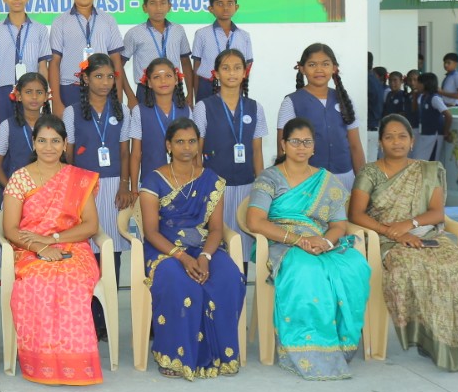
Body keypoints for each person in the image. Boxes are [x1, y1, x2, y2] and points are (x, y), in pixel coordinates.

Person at [349, 114, 458, 371]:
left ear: (412, 141)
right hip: (385, 240)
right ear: (380, 142)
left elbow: (437, 213)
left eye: (402, 136)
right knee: (412, 268)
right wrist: (393, 232)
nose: (397, 142)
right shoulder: (369, 173)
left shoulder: (427, 171)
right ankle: (428, 337)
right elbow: (356, 214)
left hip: (426, 235)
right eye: (389, 137)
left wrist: (410, 224)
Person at [246, 117, 371, 380]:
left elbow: (339, 224)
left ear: (314, 147)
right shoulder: (269, 178)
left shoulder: (326, 181)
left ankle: (341, 345)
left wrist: (325, 242)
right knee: (307, 270)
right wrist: (297, 240)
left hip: (321, 242)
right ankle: (310, 349)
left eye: (307, 142)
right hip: (282, 243)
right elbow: (255, 221)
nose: (301, 147)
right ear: (283, 144)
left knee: (355, 266)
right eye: (295, 141)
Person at [3, 114, 103, 386]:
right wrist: (39, 247)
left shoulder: (78, 178)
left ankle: (75, 362)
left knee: (72, 280)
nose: (49, 147)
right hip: (28, 248)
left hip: (73, 246)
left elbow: (90, 225)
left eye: (55, 141)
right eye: (43, 141)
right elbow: (10, 229)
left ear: (65, 143)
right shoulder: (20, 179)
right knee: (38, 280)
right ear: (33, 143)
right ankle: (42, 361)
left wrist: (52, 239)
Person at [139, 118, 243, 379]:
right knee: (180, 285)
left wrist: (205, 256)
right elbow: (151, 232)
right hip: (165, 249)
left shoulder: (212, 180)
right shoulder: (153, 181)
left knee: (230, 278)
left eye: (191, 142)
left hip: (202, 246)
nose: (186, 147)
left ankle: (221, 354)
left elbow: (216, 229)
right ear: (169, 145)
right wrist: (183, 257)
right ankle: (175, 356)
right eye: (180, 142)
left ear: (198, 144)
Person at [63, 53, 136, 339]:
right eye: (98, 76)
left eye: (109, 77)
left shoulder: (122, 110)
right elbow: (68, 156)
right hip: (84, 189)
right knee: (86, 253)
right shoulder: (72, 113)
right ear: (85, 78)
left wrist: (126, 185)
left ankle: (106, 319)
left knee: (112, 253)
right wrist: (72, 192)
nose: (105, 82)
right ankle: (86, 317)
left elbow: (125, 152)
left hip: (115, 186)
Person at [196, 48, 266, 262]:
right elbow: (196, 151)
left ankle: (242, 282)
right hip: (214, 187)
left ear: (245, 72)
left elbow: (257, 150)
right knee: (217, 244)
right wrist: (199, 185)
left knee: (243, 245)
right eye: (225, 68)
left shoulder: (255, 108)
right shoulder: (203, 107)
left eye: (237, 68)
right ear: (216, 73)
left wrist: (262, 187)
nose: (232, 73)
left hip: (247, 185)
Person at [277, 43, 365, 189]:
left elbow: (355, 146)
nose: (319, 69)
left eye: (325, 64)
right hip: (306, 180)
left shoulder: (344, 99)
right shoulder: (291, 102)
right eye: (312, 65)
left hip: (345, 178)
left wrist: (364, 185)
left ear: (334, 68)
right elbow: (283, 149)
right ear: (302, 69)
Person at [49, 0, 124, 116]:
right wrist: (56, 101)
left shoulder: (108, 20)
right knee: (71, 130)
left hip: (102, 87)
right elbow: (54, 63)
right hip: (70, 87)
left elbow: (116, 60)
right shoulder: (60, 22)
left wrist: (118, 97)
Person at [0, 0, 51, 129]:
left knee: (32, 134)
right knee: (6, 135)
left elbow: (43, 67)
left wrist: (44, 99)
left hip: (32, 91)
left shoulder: (40, 29)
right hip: (3, 91)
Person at [121, 0, 193, 107]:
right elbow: (118, 65)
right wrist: (130, 97)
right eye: (153, 3)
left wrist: (191, 94)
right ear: (144, 7)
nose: (158, 8)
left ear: (169, 6)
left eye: (163, 3)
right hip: (146, 91)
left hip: (175, 90)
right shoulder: (134, 33)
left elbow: (186, 63)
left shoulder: (178, 30)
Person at [129, 57, 191, 196]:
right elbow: (136, 154)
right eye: (157, 77)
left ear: (176, 80)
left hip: (183, 182)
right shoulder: (140, 111)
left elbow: (194, 150)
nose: (163, 81)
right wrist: (133, 189)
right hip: (150, 183)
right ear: (149, 83)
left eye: (168, 76)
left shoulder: (186, 110)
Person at [0, 72, 52, 205]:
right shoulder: (7, 125)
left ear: (46, 96)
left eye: (39, 92)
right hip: (16, 195)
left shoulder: (54, 125)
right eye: (28, 92)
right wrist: (13, 191)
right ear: (19, 96)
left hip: (48, 193)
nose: (34, 97)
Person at [411, 72, 451, 162]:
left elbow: (448, 115)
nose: (416, 85)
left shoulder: (435, 98)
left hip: (434, 135)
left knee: (430, 163)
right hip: (425, 133)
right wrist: (414, 96)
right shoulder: (422, 97)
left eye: (419, 83)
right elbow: (414, 110)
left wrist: (446, 132)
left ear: (426, 84)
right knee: (417, 159)